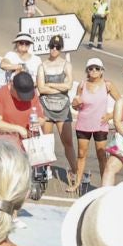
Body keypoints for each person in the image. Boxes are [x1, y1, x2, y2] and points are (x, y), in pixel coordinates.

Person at [67, 58, 118, 195]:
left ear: (102, 70)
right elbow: (76, 105)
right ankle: (77, 183)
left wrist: (110, 115)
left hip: (100, 125)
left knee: (101, 155)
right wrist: (75, 104)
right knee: (81, 154)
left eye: (97, 68)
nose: (94, 71)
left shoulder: (108, 85)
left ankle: (104, 187)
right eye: (91, 68)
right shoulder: (82, 85)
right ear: (87, 71)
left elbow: (121, 103)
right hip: (83, 124)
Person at [36, 37, 74, 178]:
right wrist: (60, 88)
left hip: (63, 107)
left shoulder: (66, 65)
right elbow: (41, 88)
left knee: (68, 141)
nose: (54, 49)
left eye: (57, 47)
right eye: (52, 46)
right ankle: (47, 169)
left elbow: (69, 86)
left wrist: (50, 85)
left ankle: (75, 170)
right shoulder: (43, 65)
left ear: (61, 49)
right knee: (46, 141)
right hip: (45, 106)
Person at [0, 69, 41, 152]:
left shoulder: (32, 93)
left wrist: (37, 123)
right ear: (12, 85)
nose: (23, 99)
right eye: (20, 95)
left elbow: (41, 118)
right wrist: (18, 129)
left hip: (27, 144)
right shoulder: (1, 93)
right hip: (4, 143)